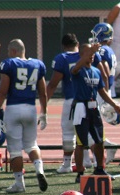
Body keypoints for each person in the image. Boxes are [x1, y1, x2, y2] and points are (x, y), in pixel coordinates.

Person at [0, 39, 49, 194]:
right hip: (31, 109)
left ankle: (19, 183)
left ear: (13, 51)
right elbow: (43, 93)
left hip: (13, 108)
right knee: (32, 145)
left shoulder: (9, 63)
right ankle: (39, 170)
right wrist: (44, 113)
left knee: (15, 149)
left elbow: (2, 91)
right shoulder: (37, 64)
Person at [47, 34, 102, 174]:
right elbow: (104, 74)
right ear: (77, 44)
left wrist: (44, 104)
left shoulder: (62, 58)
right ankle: (94, 162)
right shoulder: (89, 55)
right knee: (90, 134)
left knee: (69, 132)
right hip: (91, 100)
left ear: (63, 46)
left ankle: (67, 164)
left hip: (72, 101)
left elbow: (53, 84)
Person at [71, 43, 120, 180]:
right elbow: (75, 69)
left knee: (99, 140)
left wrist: (114, 104)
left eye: (93, 53)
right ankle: (80, 172)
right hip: (81, 108)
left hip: (94, 108)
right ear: (82, 54)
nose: (92, 55)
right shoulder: (77, 69)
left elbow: (102, 91)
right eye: (89, 53)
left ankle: (100, 168)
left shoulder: (96, 71)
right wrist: (89, 51)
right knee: (81, 142)